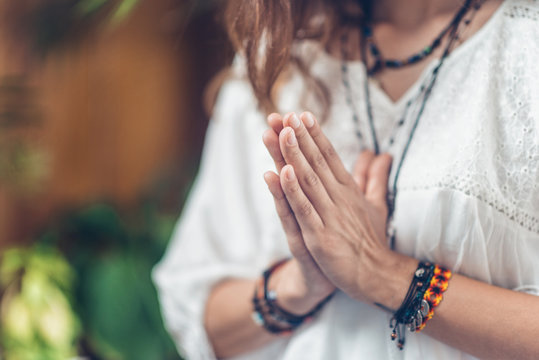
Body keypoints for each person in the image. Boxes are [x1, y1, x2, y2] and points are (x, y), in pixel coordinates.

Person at [153, 0, 539, 359]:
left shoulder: (525, 41)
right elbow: (202, 323)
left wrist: (382, 274)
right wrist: (301, 285)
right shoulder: (279, 54)